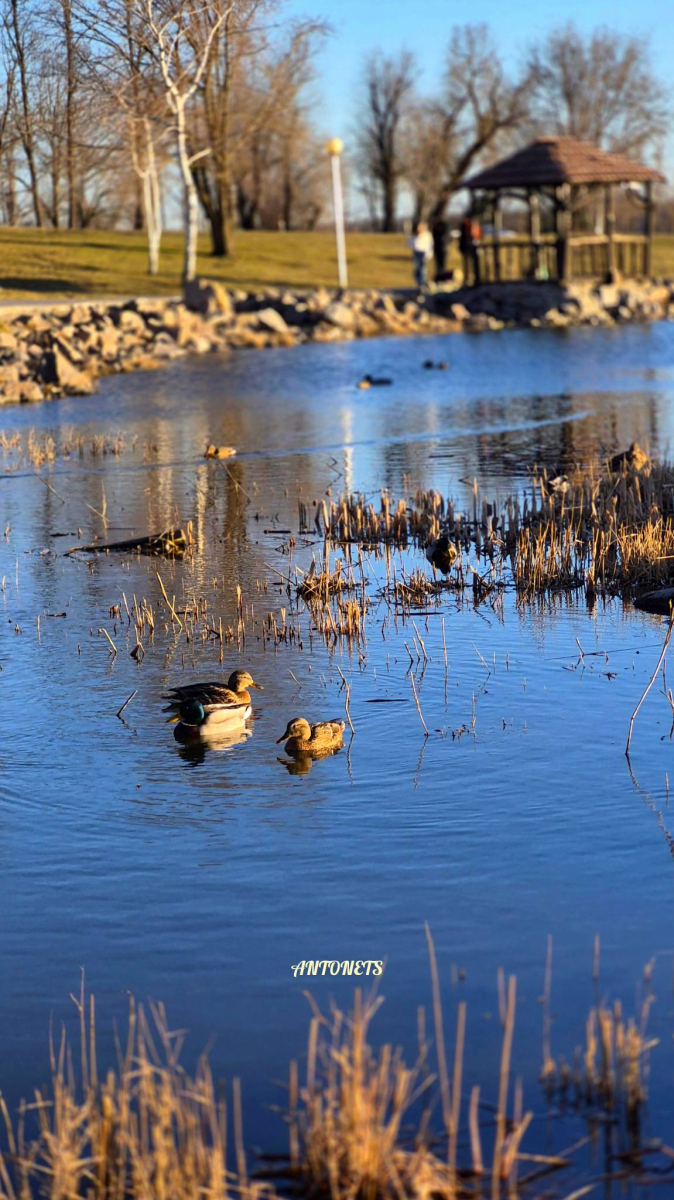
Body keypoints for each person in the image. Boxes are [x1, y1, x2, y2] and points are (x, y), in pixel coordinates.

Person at [409, 221, 433, 289]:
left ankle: (422, 283)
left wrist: (429, 253)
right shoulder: (414, 235)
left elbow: (430, 245)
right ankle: (418, 283)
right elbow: (411, 244)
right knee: (416, 268)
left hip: (424, 253)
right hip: (416, 252)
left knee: (423, 269)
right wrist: (415, 237)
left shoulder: (427, 235)